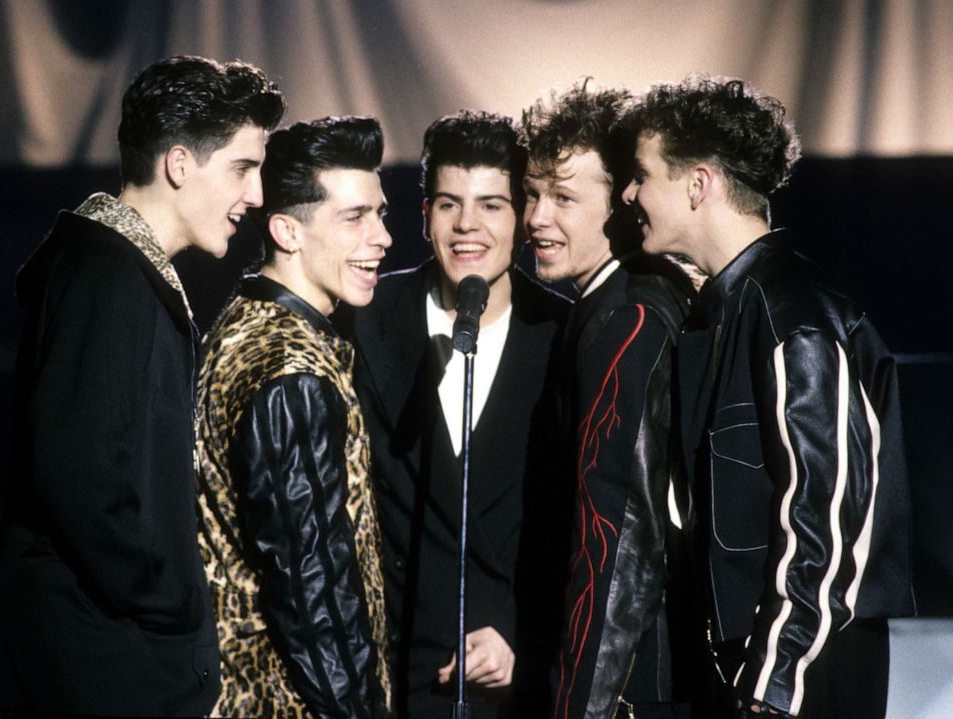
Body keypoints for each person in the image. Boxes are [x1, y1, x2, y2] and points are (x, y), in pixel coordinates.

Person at [0, 56, 283, 715]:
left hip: (106, 656)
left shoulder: (119, 274)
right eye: (242, 167)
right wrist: (174, 601)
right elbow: (81, 476)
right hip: (96, 666)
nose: (256, 195)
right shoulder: (106, 279)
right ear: (177, 163)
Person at [621, 74, 915, 719]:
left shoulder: (793, 316)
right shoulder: (732, 310)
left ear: (698, 184)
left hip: (798, 680)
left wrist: (774, 684)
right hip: (753, 671)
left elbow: (828, 519)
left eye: (641, 175)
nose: (629, 193)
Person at [339, 110, 570, 718]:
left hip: (514, 683)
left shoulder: (565, 336)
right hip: (387, 679)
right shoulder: (363, 319)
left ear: (521, 219)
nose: (468, 225)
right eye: (449, 204)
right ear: (424, 217)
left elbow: (583, 524)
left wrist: (527, 636)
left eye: (491, 205)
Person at [196, 117, 394, 718]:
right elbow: (315, 592)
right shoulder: (290, 370)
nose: (382, 237)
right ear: (287, 230)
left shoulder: (243, 321)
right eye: (354, 217)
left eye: (380, 214)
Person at [520, 82, 692, 719]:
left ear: (622, 205)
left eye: (563, 198)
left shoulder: (627, 320)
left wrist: (580, 705)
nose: (537, 217)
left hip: (634, 682)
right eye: (533, 194)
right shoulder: (608, 309)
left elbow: (617, 539)